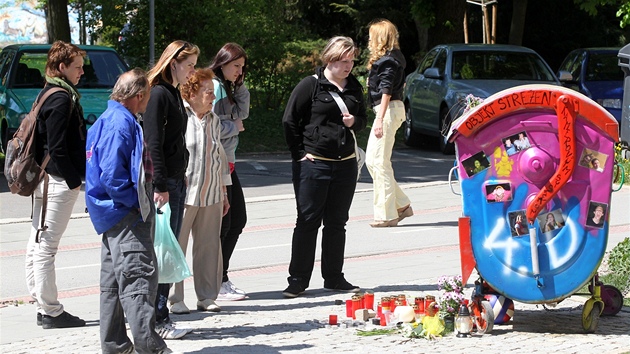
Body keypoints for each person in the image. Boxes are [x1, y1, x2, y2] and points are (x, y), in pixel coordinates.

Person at [85, 68, 173, 354]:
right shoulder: (119, 122)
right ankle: (150, 347)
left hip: (110, 213)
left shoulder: (107, 118)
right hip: (124, 212)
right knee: (139, 279)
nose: (148, 101)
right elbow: (113, 176)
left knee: (112, 285)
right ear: (139, 96)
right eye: (146, 96)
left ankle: (116, 346)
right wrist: (134, 203)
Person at [282, 36, 367, 298]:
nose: (348, 65)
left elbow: (363, 119)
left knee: (337, 223)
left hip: (345, 165)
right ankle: (297, 279)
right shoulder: (310, 85)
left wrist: (355, 122)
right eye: (343, 60)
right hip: (314, 164)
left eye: (352, 60)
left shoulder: (354, 87)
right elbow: (289, 120)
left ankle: (334, 277)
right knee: (307, 222)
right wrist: (299, 154)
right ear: (330, 59)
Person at [25, 40, 87, 329]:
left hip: (46, 179)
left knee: (37, 242)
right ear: (61, 67)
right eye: (77, 67)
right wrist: (75, 182)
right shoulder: (61, 98)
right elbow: (59, 147)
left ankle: (42, 304)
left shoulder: (47, 91)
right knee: (46, 247)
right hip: (57, 181)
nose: (82, 72)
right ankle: (51, 311)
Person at [143, 39, 199, 339]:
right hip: (163, 184)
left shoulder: (174, 93)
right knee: (162, 252)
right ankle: (156, 317)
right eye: (188, 65)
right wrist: (161, 184)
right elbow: (153, 143)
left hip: (176, 179)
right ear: (173, 62)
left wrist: (181, 173)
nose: (192, 72)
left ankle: (159, 313)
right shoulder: (160, 94)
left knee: (169, 249)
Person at [168, 68, 231, 314]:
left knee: (209, 247)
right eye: (208, 92)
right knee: (177, 245)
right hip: (185, 193)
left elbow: (220, 156)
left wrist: (225, 192)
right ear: (191, 92)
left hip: (212, 193)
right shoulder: (179, 115)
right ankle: (175, 299)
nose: (213, 97)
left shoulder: (214, 119)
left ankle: (206, 296)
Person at [209, 43, 250, 301]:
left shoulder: (228, 86)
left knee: (236, 220)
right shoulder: (214, 87)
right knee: (227, 223)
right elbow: (207, 124)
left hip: (228, 160)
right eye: (236, 66)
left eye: (242, 67)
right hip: (218, 162)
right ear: (222, 62)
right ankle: (217, 279)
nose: (238, 71)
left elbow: (242, 113)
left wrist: (240, 84)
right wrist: (233, 127)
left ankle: (219, 277)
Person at [364, 19, 412, 228]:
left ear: (379, 37)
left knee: (378, 163)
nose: (368, 39)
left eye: (371, 35)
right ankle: (401, 205)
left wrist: (379, 120)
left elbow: (386, 91)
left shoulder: (388, 61)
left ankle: (387, 215)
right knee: (374, 161)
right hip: (391, 110)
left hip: (388, 110)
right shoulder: (393, 58)